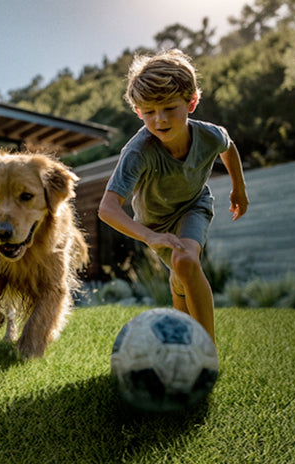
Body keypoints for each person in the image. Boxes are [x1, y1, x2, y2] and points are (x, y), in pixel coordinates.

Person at [98, 49, 249, 345]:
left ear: (191, 102)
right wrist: (148, 236)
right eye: (150, 112)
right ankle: (182, 328)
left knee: (186, 263)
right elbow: (107, 209)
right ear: (138, 112)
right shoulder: (138, 152)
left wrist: (238, 188)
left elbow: (228, 147)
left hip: (195, 205)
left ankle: (206, 350)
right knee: (180, 268)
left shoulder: (208, 135)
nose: (160, 120)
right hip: (155, 224)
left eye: (169, 108)